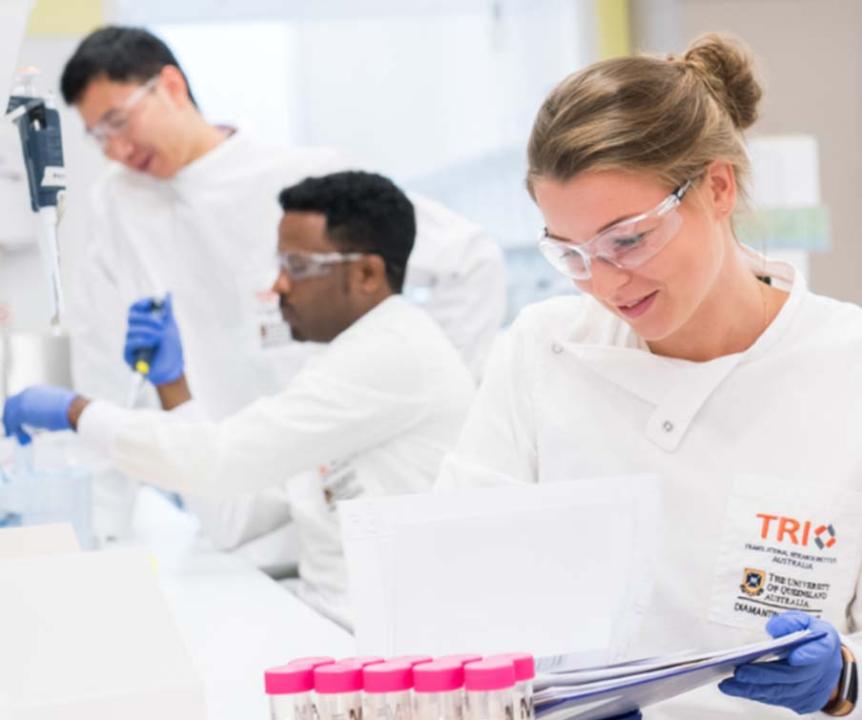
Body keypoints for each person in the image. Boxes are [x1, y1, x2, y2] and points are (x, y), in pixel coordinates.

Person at [437, 33, 861, 719]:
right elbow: (454, 582)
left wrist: (844, 678)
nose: (604, 282)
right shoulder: (542, 350)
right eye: (571, 254)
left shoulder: (848, 366)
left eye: (628, 239)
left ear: (718, 188)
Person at [59, 26, 505, 558]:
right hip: (229, 497)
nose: (117, 149)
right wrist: (99, 529)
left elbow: (471, 261)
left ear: (171, 87)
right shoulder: (118, 203)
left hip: (347, 486)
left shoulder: (299, 179)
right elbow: (102, 356)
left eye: (118, 122)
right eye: (97, 137)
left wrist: (419, 399)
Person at [4, 171, 476, 627]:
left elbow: (219, 460)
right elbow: (231, 513)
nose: (278, 286)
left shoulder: (393, 355)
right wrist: (174, 387)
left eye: (297, 266)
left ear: (368, 274)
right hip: (332, 622)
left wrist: (76, 411)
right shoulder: (347, 361)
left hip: (383, 645)